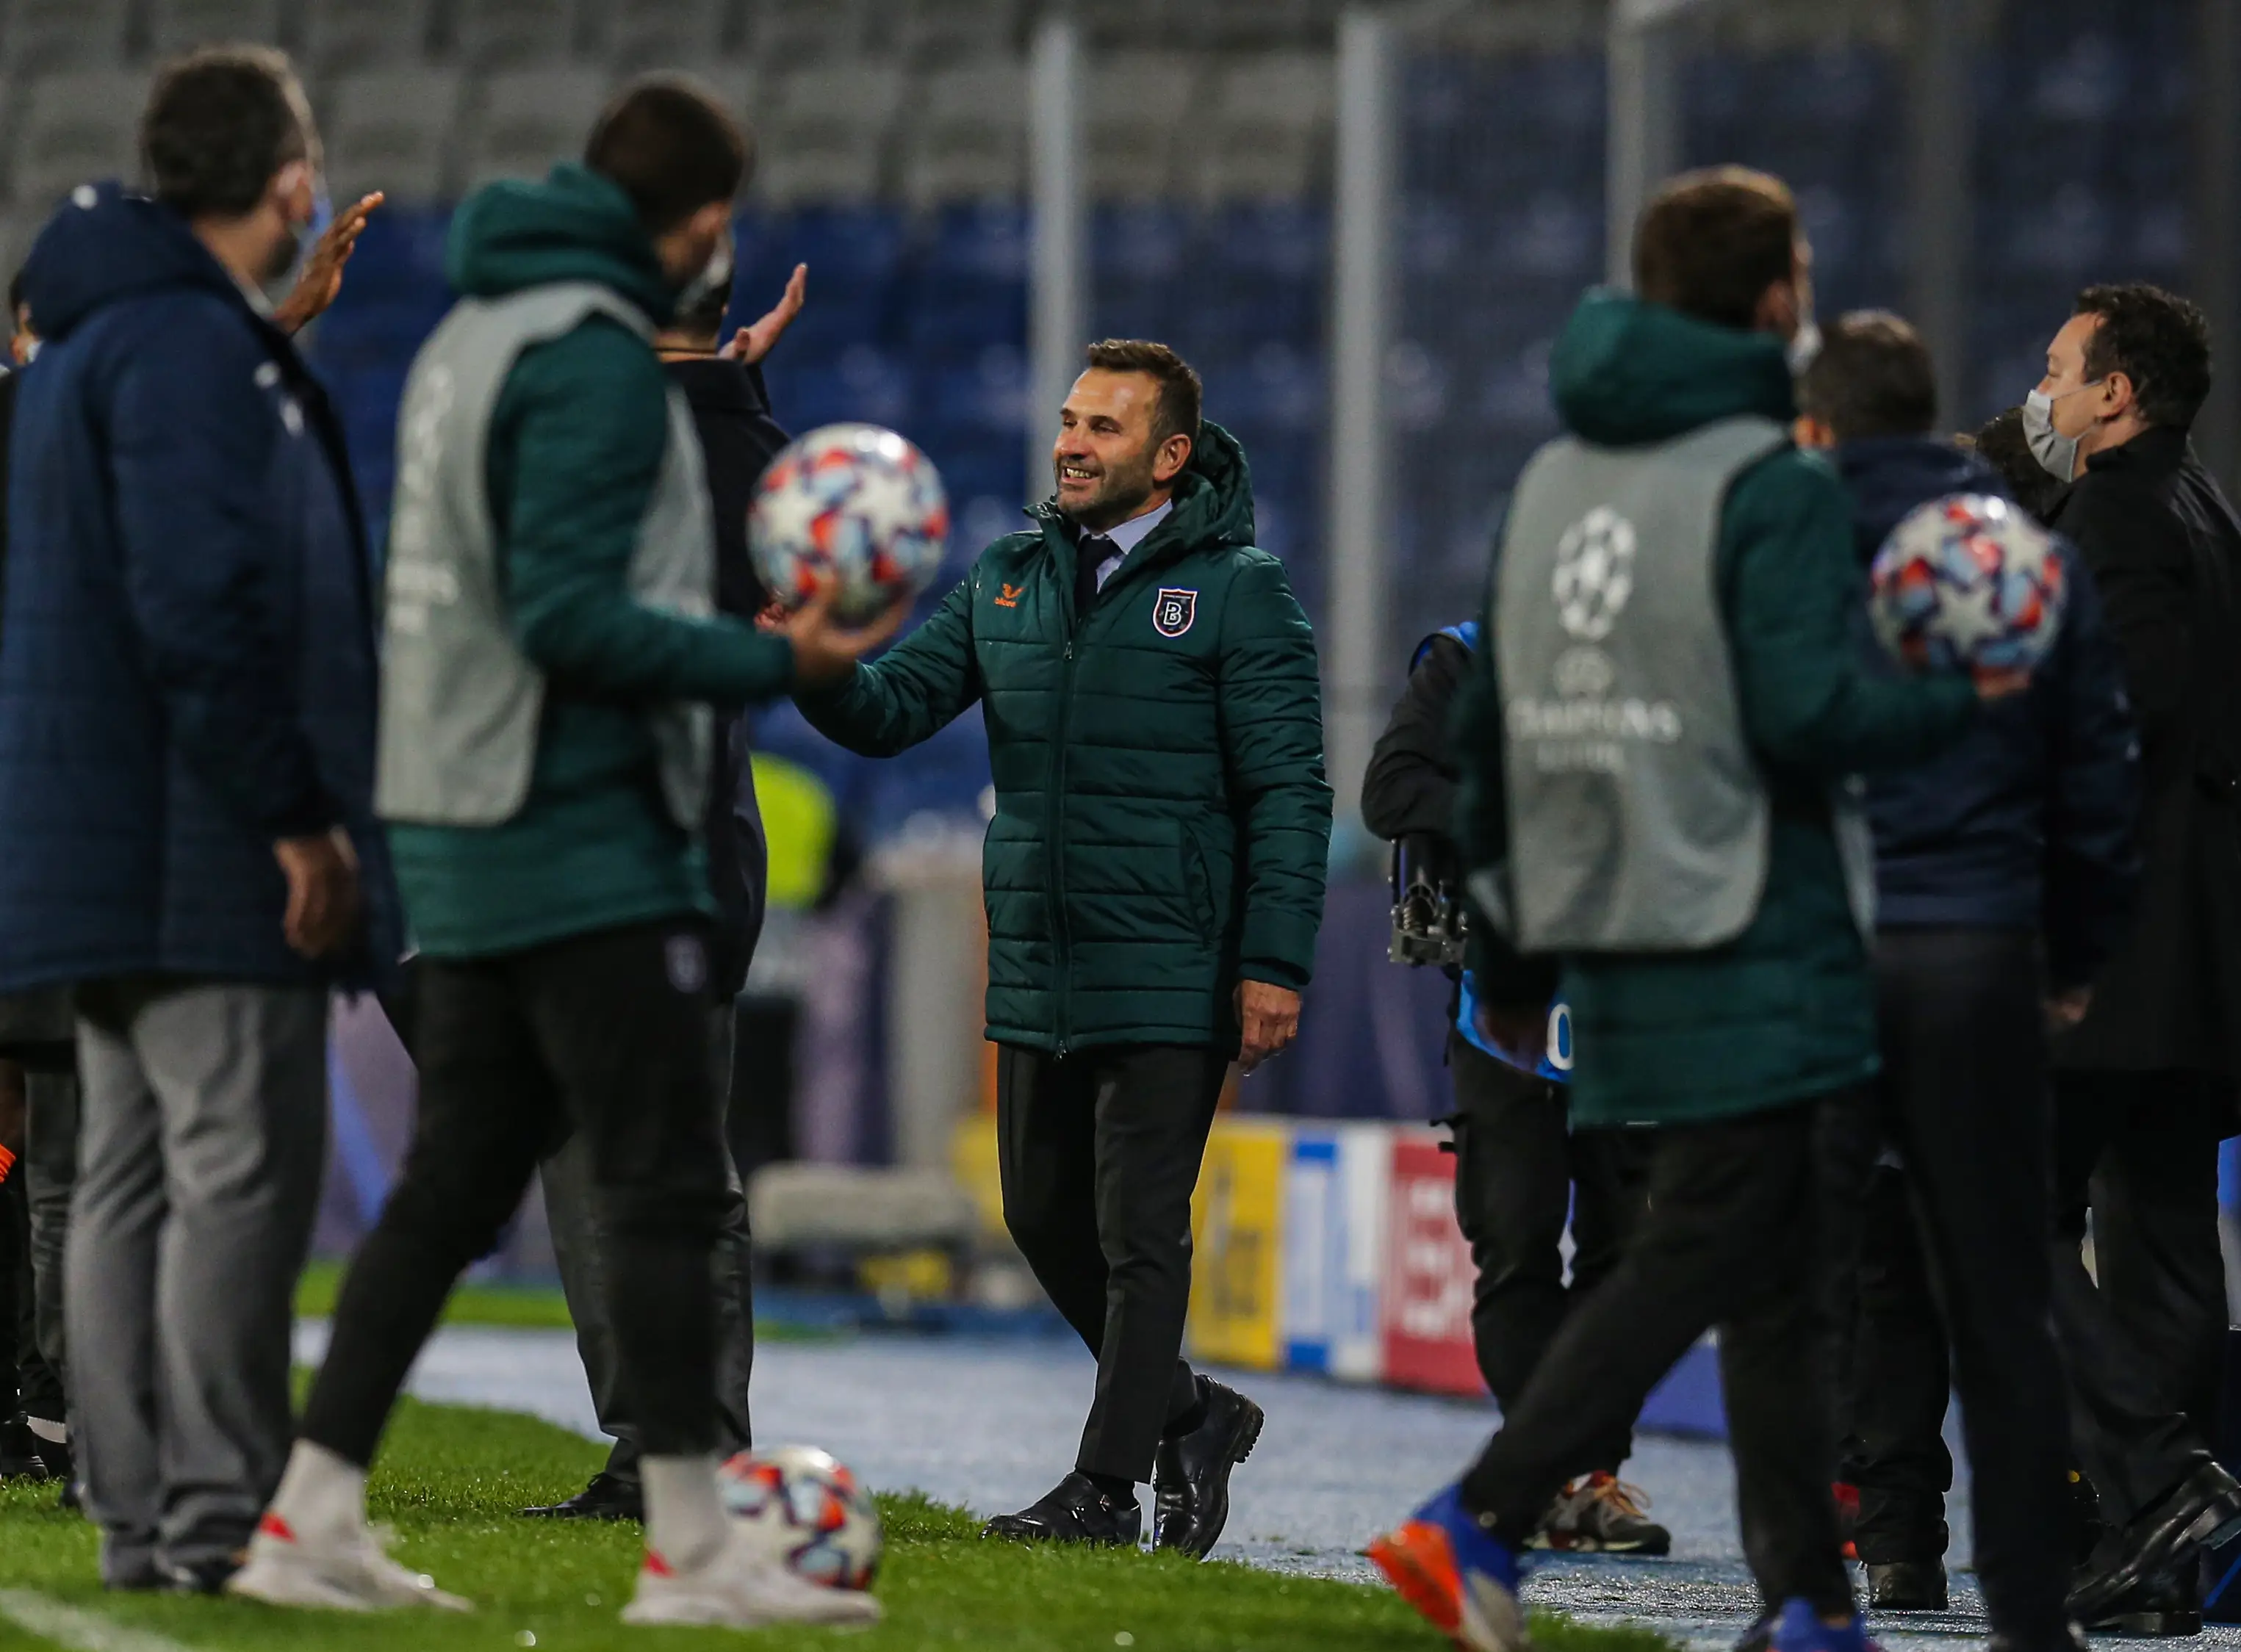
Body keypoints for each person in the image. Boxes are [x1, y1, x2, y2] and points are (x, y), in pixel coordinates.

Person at [231, 77, 896, 1626]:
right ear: (708, 221)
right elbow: (573, 616)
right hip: (579, 824)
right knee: (658, 1179)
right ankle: (691, 1552)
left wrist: (714, 398)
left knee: (466, 1184)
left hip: (457, 816)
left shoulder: (479, 340)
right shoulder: (594, 366)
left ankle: (314, 1509)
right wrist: (773, 661)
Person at [1370, 167, 2000, 1652]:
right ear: (1778, 294)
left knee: (1770, 1279)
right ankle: (1480, 1514)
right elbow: (1800, 710)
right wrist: (1951, 692)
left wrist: (1518, 953)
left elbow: (1509, 740)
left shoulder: (1557, 483)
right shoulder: (1773, 484)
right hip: (1751, 930)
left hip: (1604, 931)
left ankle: (1808, 1607)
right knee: (1710, 1248)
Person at [793, 338, 1331, 1556]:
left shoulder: (1244, 591)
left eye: (1104, 427)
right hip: (1040, 963)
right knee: (1042, 1213)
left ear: (1170, 454)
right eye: (1069, 421)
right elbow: (889, 713)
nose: (1072, 444)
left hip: (1174, 962)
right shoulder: (1007, 579)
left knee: (1141, 1231)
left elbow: (1293, 792)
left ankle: (1104, 1487)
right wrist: (818, 660)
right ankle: (1194, 1415)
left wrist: (1274, 959)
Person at [0, 48, 395, 1593]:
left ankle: (142, 1511)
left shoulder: (98, 343)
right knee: (233, 1170)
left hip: (92, 835)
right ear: (290, 179)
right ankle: (218, 1517)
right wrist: (298, 817)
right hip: (194, 843)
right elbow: (199, 606)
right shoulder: (183, 358)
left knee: (117, 1181)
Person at [1794, 311, 2138, 1643]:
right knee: (2000, 1297)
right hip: (1987, 954)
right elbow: (2096, 770)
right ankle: (2031, 1612)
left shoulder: (1789, 551)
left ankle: (1821, 1588)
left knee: (1809, 1281)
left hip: (1832, 962)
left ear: (1818, 428)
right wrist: (2079, 948)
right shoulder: (2030, 555)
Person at [523, 239, 808, 1525]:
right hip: (680, 846)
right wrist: (736, 388)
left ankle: (672, 1436)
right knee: (646, 1164)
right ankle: (668, 1436)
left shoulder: (600, 446)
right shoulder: (758, 462)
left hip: (622, 849)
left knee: (620, 1164)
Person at [2025, 283, 2241, 1630]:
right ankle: (2157, 1552)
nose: (2040, 393)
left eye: (2055, 370)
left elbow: (2116, 717)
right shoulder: (2211, 511)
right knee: (2162, 1239)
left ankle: (2163, 1484)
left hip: (2105, 950)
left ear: (2118, 390)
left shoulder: (2110, 517)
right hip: (2199, 959)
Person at [1361, 621, 1663, 1556]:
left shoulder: (1682, 645)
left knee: (1630, 1247)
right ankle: (1555, 1475)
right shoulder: (1470, 654)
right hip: (1503, 1000)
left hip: (1638, 986)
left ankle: (1585, 1473)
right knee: (1517, 1240)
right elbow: (1391, 789)